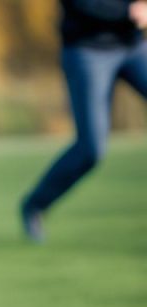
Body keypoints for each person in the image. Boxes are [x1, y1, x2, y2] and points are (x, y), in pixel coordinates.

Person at [21, 0, 147, 242]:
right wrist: (128, 11)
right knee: (91, 149)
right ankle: (35, 205)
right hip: (87, 50)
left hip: (134, 46)